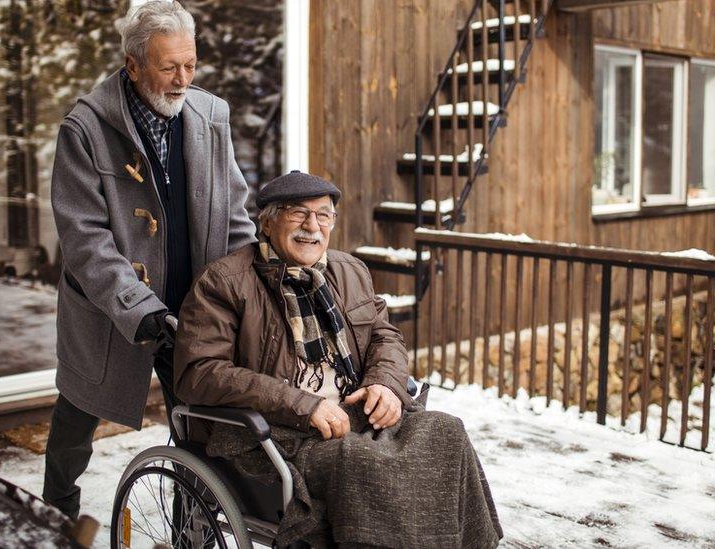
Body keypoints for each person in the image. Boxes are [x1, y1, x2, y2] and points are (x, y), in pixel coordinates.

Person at [174, 171, 503, 548]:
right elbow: (200, 373)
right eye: (298, 213)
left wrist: (385, 383)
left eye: (323, 215)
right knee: (362, 461)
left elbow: (385, 335)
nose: (312, 227)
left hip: (354, 412)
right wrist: (301, 404)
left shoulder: (349, 271)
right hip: (276, 432)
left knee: (445, 431)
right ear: (267, 222)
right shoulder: (224, 281)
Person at [43, 0, 256, 519]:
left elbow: (233, 213)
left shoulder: (210, 116)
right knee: (78, 414)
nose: (183, 79)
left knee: (198, 423)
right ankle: (54, 511)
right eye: (168, 67)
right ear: (133, 65)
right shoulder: (86, 129)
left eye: (190, 64)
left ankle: (192, 523)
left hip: (192, 304)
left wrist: (251, 282)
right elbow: (84, 238)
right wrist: (138, 307)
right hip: (110, 309)